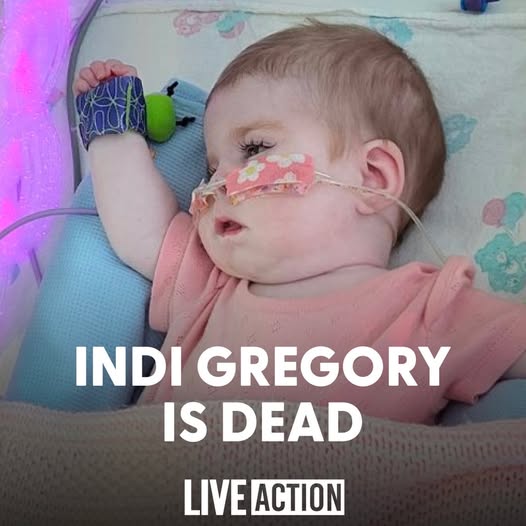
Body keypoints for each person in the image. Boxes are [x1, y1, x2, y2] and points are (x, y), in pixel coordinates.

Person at [73, 21, 526, 424]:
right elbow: (141, 229)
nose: (215, 187)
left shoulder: (433, 313)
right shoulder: (209, 283)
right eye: (210, 170)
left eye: (254, 149)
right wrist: (113, 126)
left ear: (373, 178)